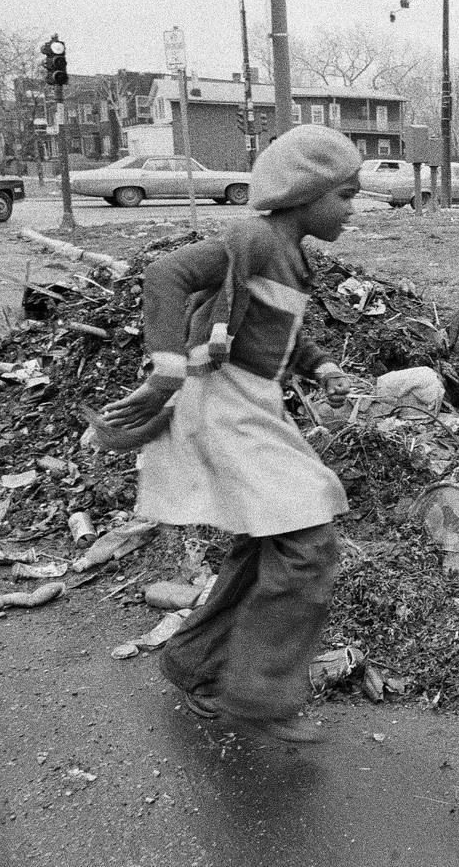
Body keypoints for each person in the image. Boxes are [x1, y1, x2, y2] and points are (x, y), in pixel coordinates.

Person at [90, 124, 360, 742]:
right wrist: (165, 365)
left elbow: (274, 327)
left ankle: (194, 664)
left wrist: (321, 367)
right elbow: (166, 276)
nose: (352, 209)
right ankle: (259, 695)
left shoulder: (287, 252)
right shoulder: (253, 237)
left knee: (265, 545)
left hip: (255, 404)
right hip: (223, 405)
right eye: (345, 195)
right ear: (304, 191)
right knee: (308, 543)